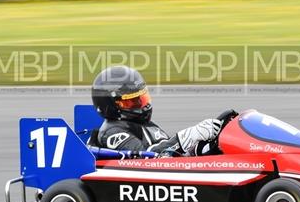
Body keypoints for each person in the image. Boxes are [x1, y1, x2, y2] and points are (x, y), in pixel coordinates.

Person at [90, 65, 222, 157]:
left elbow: (171, 152)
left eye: (141, 98)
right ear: (110, 105)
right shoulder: (112, 132)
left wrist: (199, 148)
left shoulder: (144, 125)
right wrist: (186, 137)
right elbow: (145, 157)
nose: (141, 105)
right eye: (131, 101)